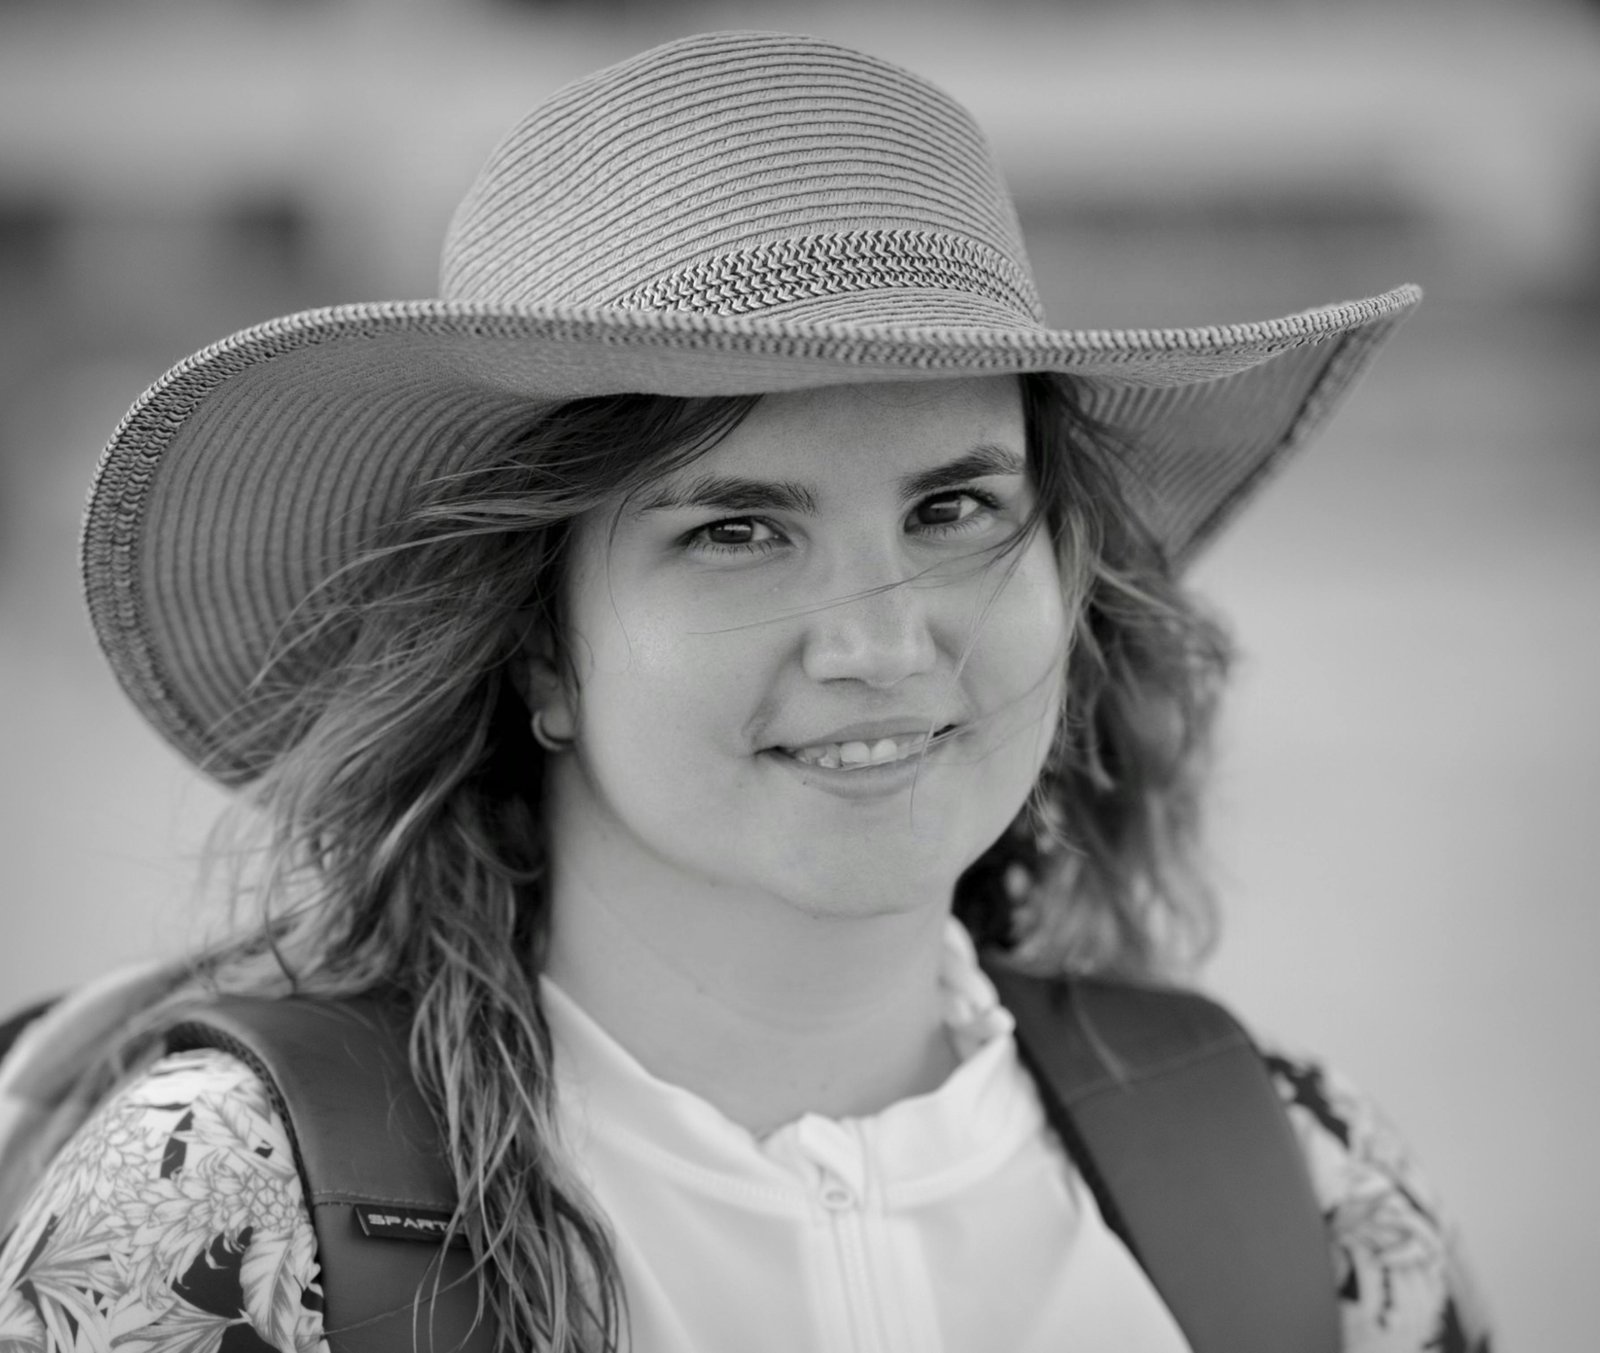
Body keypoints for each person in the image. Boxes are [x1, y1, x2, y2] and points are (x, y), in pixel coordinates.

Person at [0, 30, 1487, 1353]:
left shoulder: (1310, 1197)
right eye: (737, 532)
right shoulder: (234, 1216)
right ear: (536, 645)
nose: (883, 643)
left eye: (956, 510)